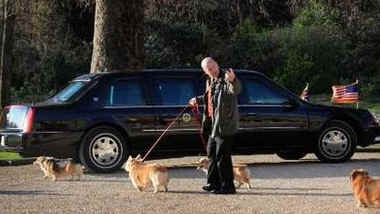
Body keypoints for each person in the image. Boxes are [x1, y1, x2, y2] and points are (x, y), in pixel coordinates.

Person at [189, 57, 241, 194]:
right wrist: (197, 99)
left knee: (222, 156)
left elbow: (235, 90)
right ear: (205, 71)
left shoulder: (226, 77)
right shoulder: (209, 80)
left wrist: (233, 80)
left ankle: (228, 186)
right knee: (211, 154)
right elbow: (209, 97)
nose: (211, 70)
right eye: (208, 69)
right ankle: (213, 183)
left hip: (225, 125)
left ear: (217, 64)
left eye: (212, 67)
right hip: (212, 124)